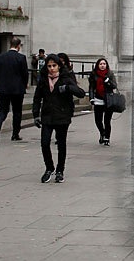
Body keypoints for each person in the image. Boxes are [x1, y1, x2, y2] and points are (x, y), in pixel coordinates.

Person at [32, 54, 85, 183]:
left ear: (59, 66)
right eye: (49, 66)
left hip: (62, 115)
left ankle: (60, 170)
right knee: (45, 143)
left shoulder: (66, 78)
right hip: (47, 115)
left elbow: (81, 93)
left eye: (54, 66)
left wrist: (67, 88)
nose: (51, 68)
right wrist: (36, 115)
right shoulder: (43, 79)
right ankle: (49, 168)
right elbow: (37, 98)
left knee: (61, 144)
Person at [0, 37, 30, 143]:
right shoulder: (21, 58)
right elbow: (25, 73)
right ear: (18, 46)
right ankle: (15, 134)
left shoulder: (0, 57)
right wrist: (25, 84)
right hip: (17, 89)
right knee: (17, 111)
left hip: (3, 88)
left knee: (3, 110)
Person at [88, 58, 117, 145]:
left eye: (104, 64)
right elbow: (91, 87)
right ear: (98, 65)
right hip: (98, 99)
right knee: (98, 120)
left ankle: (107, 138)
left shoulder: (110, 74)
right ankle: (102, 132)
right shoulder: (94, 74)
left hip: (108, 99)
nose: (102, 65)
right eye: (100, 64)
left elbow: (114, 86)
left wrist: (108, 81)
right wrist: (91, 98)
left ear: (106, 65)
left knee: (107, 121)